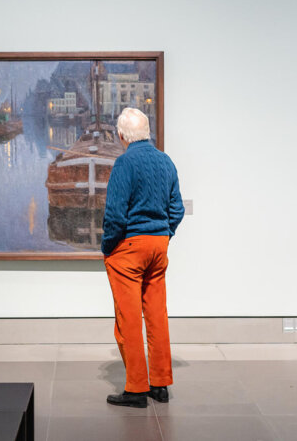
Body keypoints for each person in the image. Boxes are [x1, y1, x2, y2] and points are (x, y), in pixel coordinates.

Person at [101, 107, 184, 408]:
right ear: (147, 132)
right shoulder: (166, 161)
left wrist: (108, 247)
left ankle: (136, 388)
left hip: (130, 249)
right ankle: (160, 384)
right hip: (158, 247)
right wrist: (164, 234)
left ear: (122, 135)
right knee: (157, 315)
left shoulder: (124, 163)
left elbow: (114, 214)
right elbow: (177, 210)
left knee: (129, 319)